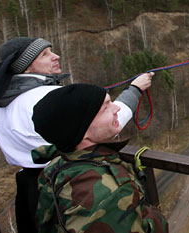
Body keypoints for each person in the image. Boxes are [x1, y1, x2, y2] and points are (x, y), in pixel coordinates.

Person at [0, 37, 153, 233]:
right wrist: (134, 90)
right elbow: (103, 125)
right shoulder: (46, 99)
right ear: (26, 68)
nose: (56, 56)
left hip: (30, 188)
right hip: (71, 184)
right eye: (44, 55)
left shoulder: (0, 105)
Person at [31, 83, 168, 233]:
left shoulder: (58, 164)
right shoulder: (108, 195)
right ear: (82, 129)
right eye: (106, 107)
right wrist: (155, 219)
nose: (117, 108)